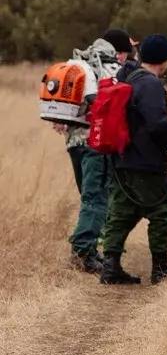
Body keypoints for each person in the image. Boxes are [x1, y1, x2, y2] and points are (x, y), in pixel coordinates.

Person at [99, 34, 167, 285]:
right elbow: (157, 125)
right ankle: (161, 267)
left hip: (122, 157)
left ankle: (110, 267)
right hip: (145, 161)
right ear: (165, 59)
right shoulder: (150, 84)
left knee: (121, 212)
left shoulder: (129, 77)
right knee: (160, 212)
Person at [55, 35, 125, 273]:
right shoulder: (98, 68)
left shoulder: (76, 66)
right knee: (95, 199)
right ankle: (83, 252)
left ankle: (89, 248)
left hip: (74, 142)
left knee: (88, 196)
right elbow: (96, 101)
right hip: (94, 143)